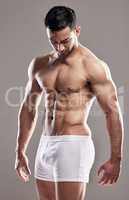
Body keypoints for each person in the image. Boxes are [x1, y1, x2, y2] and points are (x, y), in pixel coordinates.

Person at [14, 5, 124, 200]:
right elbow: (28, 108)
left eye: (65, 41)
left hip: (73, 145)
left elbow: (112, 111)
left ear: (77, 31)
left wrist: (116, 159)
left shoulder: (92, 66)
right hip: (45, 144)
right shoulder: (39, 65)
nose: (60, 47)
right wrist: (20, 150)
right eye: (53, 42)